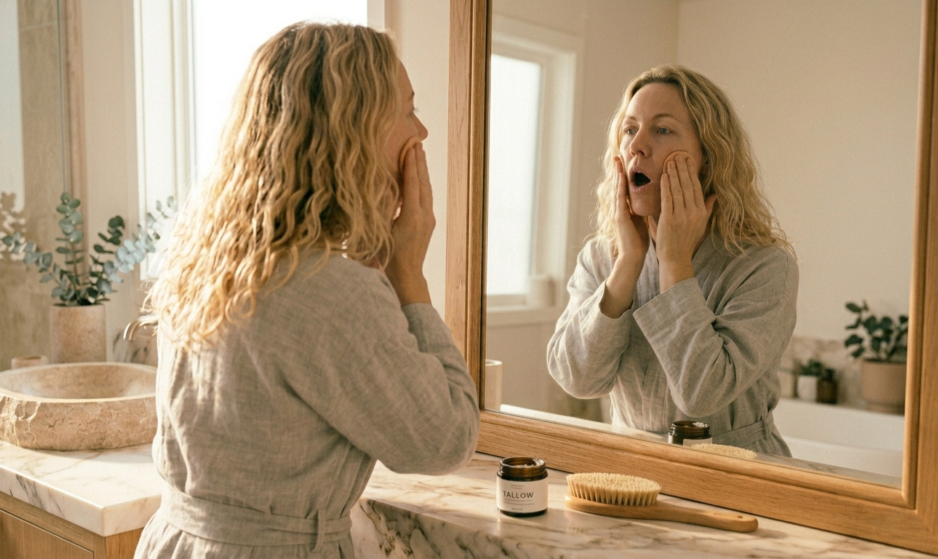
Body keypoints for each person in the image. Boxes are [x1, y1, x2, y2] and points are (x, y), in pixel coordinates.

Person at [135, 22, 479, 558]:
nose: (424, 132)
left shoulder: (210, 262)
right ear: (357, 132)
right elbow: (445, 438)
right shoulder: (332, 290)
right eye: (408, 109)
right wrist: (408, 274)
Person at [546, 65, 796, 456]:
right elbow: (577, 380)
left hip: (739, 480)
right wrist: (628, 262)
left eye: (661, 130)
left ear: (709, 159)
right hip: (629, 476)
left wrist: (675, 263)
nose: (636, 146)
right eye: (630, 129)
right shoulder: (601, 257)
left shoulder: (763, 267)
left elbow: (702, 392)